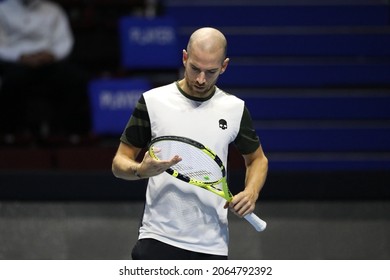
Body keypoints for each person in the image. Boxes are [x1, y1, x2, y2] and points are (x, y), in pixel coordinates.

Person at [112, 27, 268, 260]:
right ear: (185, 57)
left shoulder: (235, 109)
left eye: (211, 71)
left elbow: (257, 160)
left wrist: (251, 192)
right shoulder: (153, 101)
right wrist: (139, 170)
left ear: (224, 66)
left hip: (211, 245)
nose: (201, 79)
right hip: (157, 237)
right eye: (195, 68)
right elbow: (118, 163)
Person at [0, 0, 90, 141]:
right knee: (12, 81)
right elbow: (2, 47)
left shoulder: (53, 10)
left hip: (49, 61)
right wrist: (20, 56)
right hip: (17, 62)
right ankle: (11, 132)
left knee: (76, 79)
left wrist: (52, 55)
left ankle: (68, 131)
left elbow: (65, 42)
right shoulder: (3, 10)